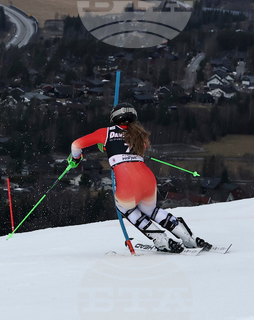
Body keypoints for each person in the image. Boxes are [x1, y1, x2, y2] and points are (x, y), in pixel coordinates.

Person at [68, 104, 211, 253]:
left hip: (127, 180)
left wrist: (77, 158)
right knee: (152, 211)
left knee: (126, 209)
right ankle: (189, 238)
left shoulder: (106, 132)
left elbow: (76, 145)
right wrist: (106, 147)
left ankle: (162, 240)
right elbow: (124, 146)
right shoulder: (140, 135)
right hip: (147, 178)